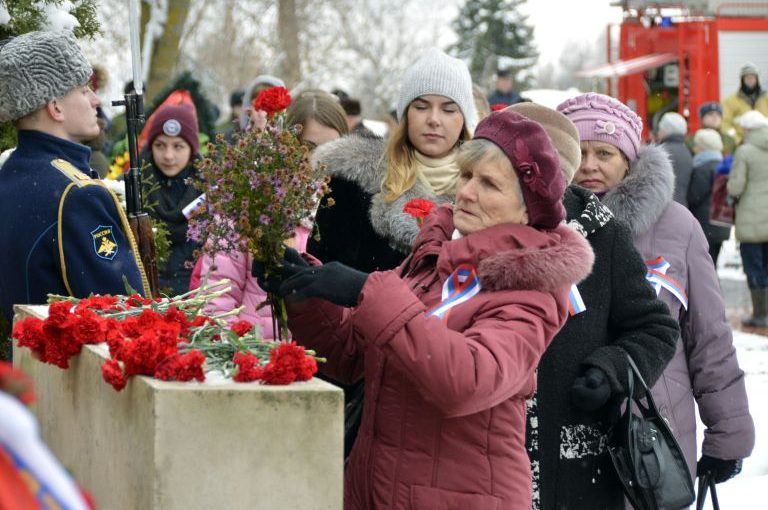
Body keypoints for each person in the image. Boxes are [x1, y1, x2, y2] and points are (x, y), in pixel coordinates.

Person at [255, 110, 595, 510]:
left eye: (489, 184)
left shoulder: (529, 288)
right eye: (467, 176)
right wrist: (305, 291)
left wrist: (367, 290)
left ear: (527, 211)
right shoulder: (436, 254)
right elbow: (350, 355)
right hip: (379, 488)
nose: (466, 192)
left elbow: (466, 381)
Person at [560, 92, 755, 491]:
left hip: (650, 428)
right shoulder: (541, 226)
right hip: (564, 426)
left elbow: (708, 335)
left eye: (605, 153)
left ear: (629, 161)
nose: (591, 166)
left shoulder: (677, 227)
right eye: (579, 153)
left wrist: (728, 433)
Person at [506, 102, 679, 509]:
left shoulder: (604, 235)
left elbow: (656, 328)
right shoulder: (468, 236)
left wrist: (610, 370)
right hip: (485, 459)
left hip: (577, 467)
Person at [0, 31, 149, 327]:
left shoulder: (10, 174)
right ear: (55, 107)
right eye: (84, 90)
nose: (96, 100)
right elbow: (123, 310)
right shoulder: (76, 194)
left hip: (32, 363)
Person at [309, 47, 477, 273]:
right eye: (421, 107)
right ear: (405, 114)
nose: (434, 120)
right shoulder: (355, 180)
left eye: (448, 109)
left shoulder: (484, 191)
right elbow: (322, 278)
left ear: (464, 119)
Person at [197, 90, 349, 337]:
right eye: (308, 147)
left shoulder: (349, 211)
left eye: (331, 149)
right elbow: (218, 297)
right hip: (254, 357)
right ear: (288, 144)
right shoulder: (251, 202)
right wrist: (233, 353)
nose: (318, 160)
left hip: (323, 368)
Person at [142, 103, 202, 296]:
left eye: (178, 146)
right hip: (143, 299)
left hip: (196, 299)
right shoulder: (132, 187)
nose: (168, 156)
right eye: (160, 145)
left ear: (191, 149)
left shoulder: (211, 191)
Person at [727, 110, 768, 328]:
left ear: (748, 129)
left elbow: (736, 186)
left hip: (752, 220)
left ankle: (761, 314)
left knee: (754, 267)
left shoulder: (745, 151)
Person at [688, 128, 731, 265]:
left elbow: (694, 196)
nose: (694, 149)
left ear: (702, 147)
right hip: (721, 224)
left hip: (706, 225)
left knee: (705, 265)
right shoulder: (723, 165)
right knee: (713, 263)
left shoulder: (703, 168)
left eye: (696, 145)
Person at [723, 63, 768, 145]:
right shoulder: (730, 101)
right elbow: (724, 124)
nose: (750, 80)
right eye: (747, 77)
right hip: (742, 143)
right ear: (742, 80)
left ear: (757, 79)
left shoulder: (766, 99)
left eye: (753, 77)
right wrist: (737, 140)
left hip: (765, 143)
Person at [657, 111, 694, 206]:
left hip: (663, 208)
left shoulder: (660, 152)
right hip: (682, 206)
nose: (658, 132)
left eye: (660, 129)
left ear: (666, 130)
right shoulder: (687, 151)